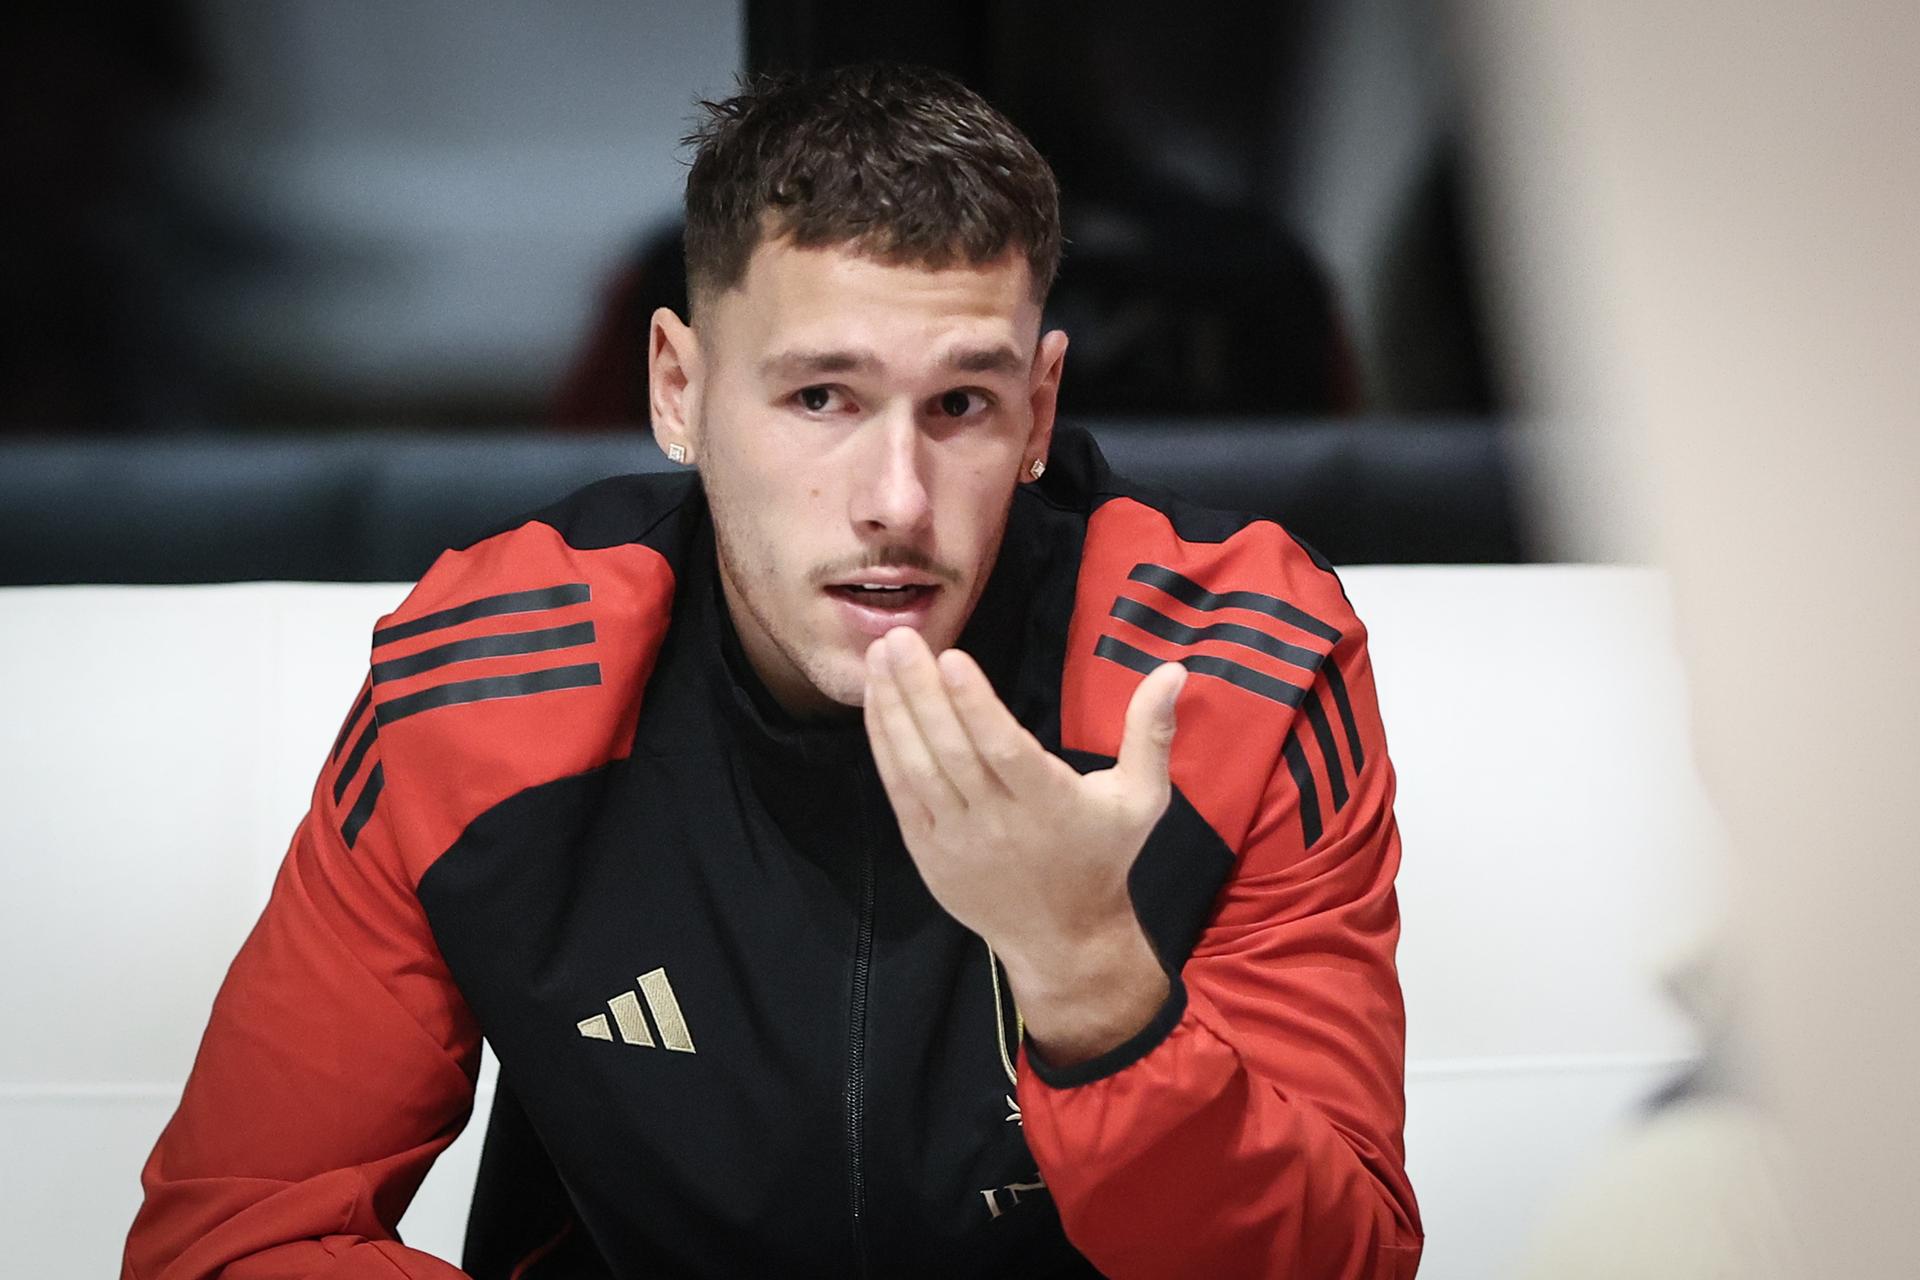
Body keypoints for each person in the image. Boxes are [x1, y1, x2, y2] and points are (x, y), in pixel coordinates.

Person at [124, 64, 1422, 1279]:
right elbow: (232, 1238)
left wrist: (1093, 980)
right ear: (677, 390)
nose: (896, 501)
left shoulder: (1232, 666)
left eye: (961, 405)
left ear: (1038, 409)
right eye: (820, 399)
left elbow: (1342, 1261)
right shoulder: (492, 679)